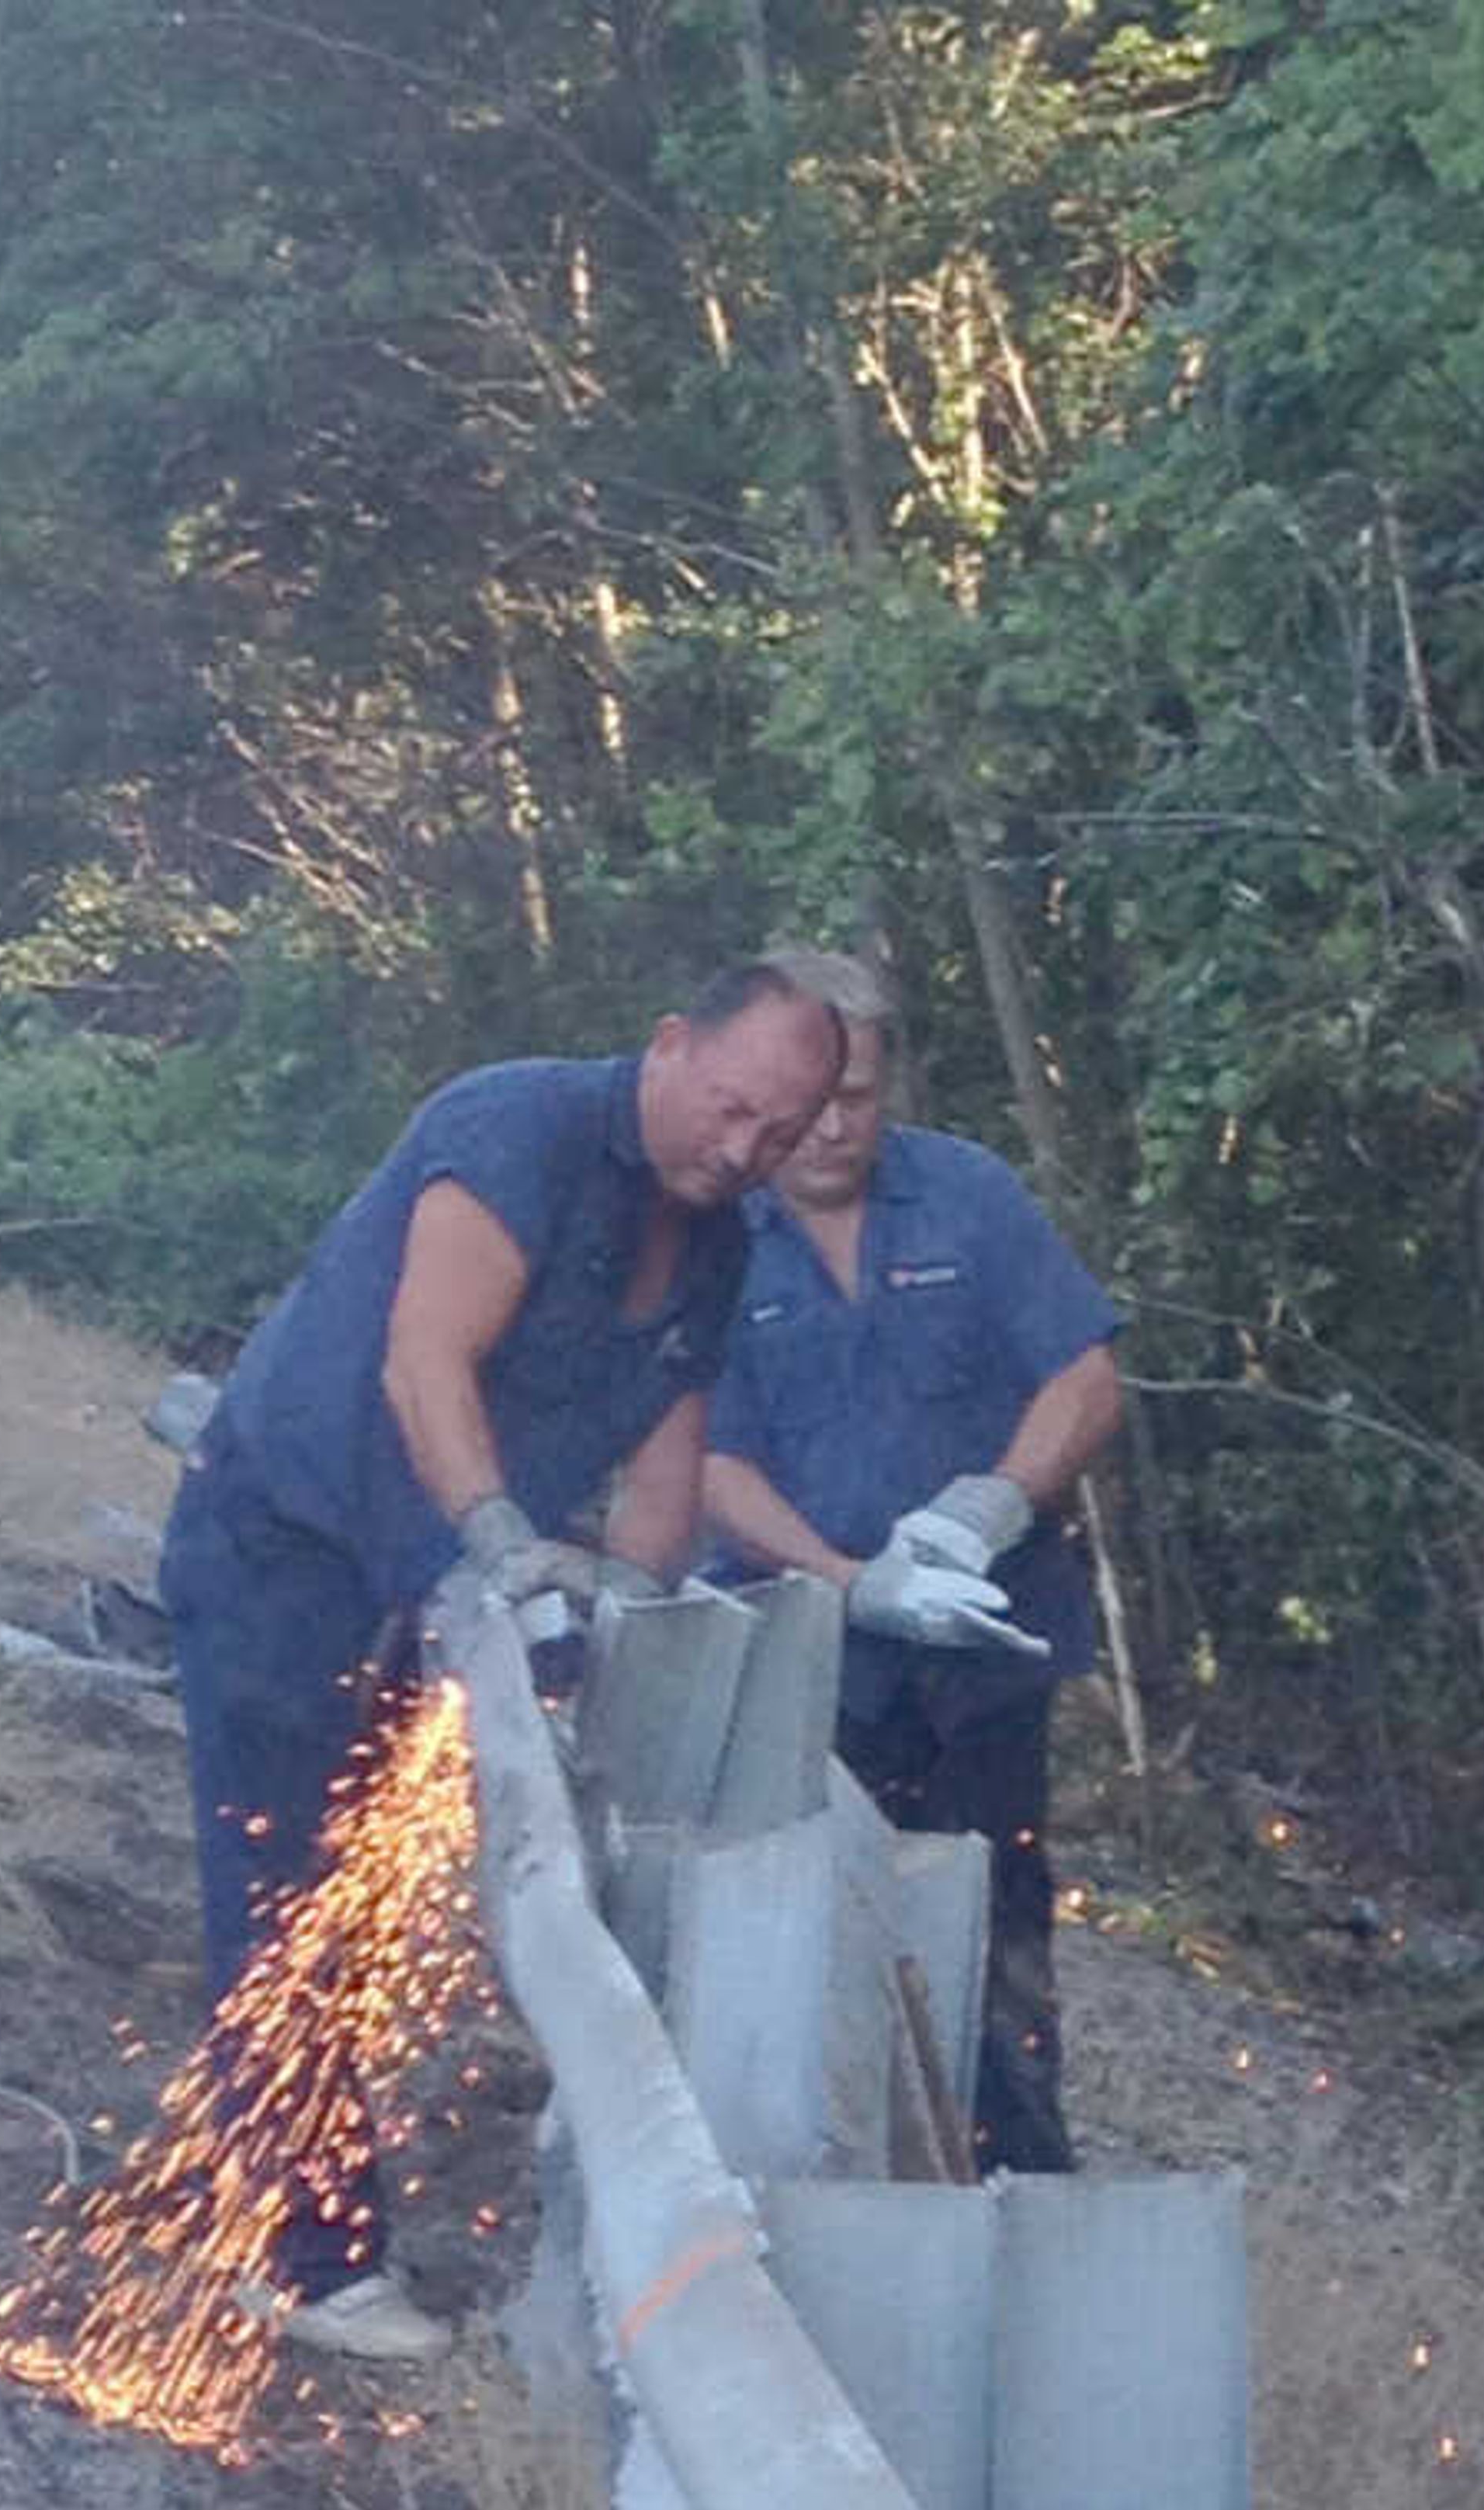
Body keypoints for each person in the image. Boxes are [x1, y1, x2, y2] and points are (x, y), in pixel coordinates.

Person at [160, 957, 845, 2362]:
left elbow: (669, 1461)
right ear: (669, 1041)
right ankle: (307, 2264)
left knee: (350, 1900)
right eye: (728, 1110)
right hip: (288, 1553)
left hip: (426, 1596)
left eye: (779, 1134)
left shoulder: (714, 1242)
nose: (743, 1151)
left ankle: (292, 2194)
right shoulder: (514, 1132)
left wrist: (624, 1618)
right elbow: (427, 1366)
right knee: (285, 1890)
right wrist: (503, 1546)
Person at [699, 946, 1124, 2175]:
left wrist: (997, 1504)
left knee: (998, 1959)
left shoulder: (969, 1200)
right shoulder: (722, 1239)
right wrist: (847, 1581)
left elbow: (1084, 1376)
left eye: (860, 1097)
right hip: (811, 1675)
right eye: (811, 1099)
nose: (833, 1126)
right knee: (816, 1957)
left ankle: (1024, 2199)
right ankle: (839, 2207)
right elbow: (713, 1467)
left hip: (985, 1666)